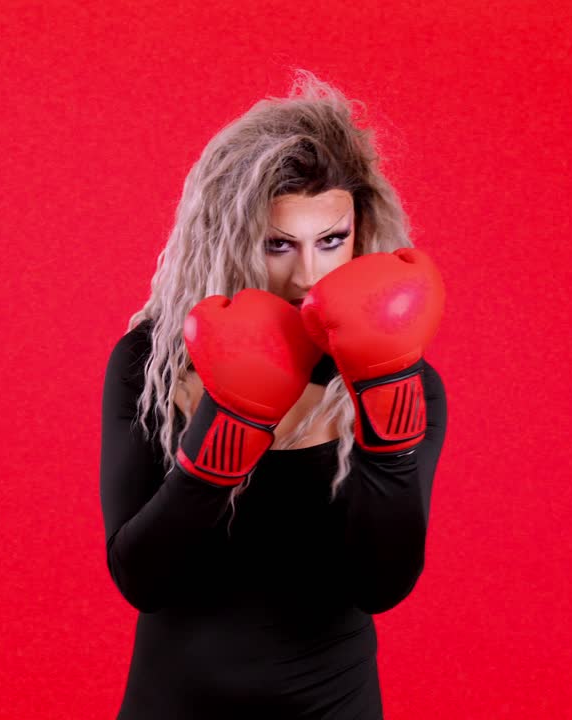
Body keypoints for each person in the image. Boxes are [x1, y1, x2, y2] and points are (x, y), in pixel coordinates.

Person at [99, 69, 448, 719]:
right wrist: (226, 429)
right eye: (278, 244)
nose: (307, 274)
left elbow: (380, 584)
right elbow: (141, 578)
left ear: (360, 231)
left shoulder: (402, 378)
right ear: (230, 238)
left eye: (331, 241)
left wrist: (387, 421)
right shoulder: (152, 364)